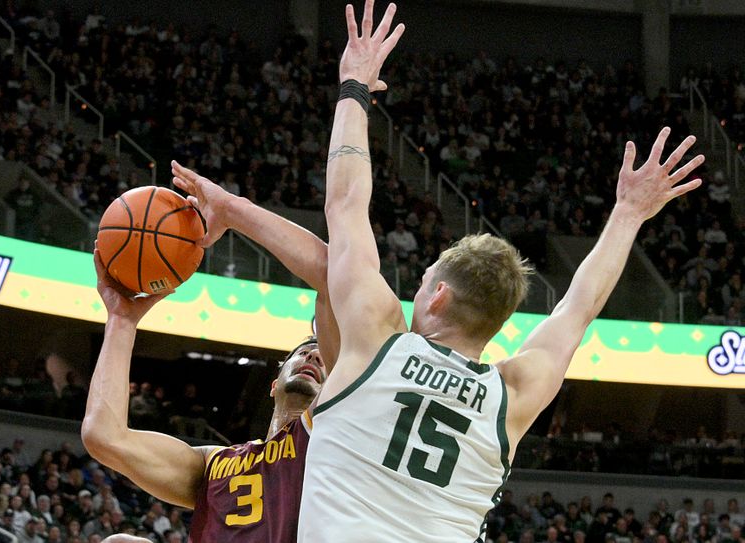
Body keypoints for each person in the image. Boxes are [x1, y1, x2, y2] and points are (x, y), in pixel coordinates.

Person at [296, 2, 704, 542]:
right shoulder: (512, 393)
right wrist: (628, 214)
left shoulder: (376, 341)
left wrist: (353, 87)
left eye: (421, 283)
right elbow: (577, 309)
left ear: (438, 296)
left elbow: (346, 204)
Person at [82, 163, 340, 542]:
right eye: (304, 351)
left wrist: (233, 210)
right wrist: (121, 322)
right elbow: (105, 437)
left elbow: (334, 273)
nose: (314, 357)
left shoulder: (334, 435)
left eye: (323, 356)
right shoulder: (213, 466)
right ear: (274, 383)